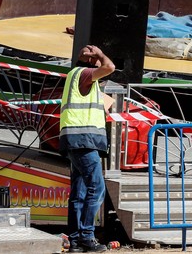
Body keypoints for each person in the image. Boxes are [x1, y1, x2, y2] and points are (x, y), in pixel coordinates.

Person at [60, 44, 115, 253]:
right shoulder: (84, 74)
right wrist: (101, 53)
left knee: (80, 191)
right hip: (84, 140)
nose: (100, 61)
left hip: (73, 140)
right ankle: (86, 237)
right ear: (92, 62)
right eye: (97, 59)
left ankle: (75, 240)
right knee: (96, 187)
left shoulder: (74, 76)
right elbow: (110, 67)